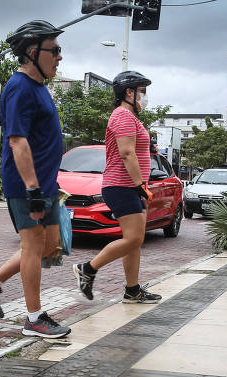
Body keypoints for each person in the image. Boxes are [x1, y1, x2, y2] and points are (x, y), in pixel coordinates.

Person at [0, 20, 70, 339]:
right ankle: (34, 318)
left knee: (51, 246)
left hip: (44, 183)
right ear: (32, 51)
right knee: (32, 246)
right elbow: (17, 141)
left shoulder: (38, 87)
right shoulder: (18, 87)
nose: (59, 57)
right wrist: (33, 189)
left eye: (59, 51)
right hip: (28, 185)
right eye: (54, 50)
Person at [73, 70, 161, 304]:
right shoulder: (122, 115)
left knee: (135, 240)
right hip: (122, 185)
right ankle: (88, 268)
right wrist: (141, 185)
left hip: (131, 186)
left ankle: (132, 290)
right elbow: (126, 152)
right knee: (133, 239)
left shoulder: (131, 117)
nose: (145, 96)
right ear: (128, 92)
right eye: (142, 91)